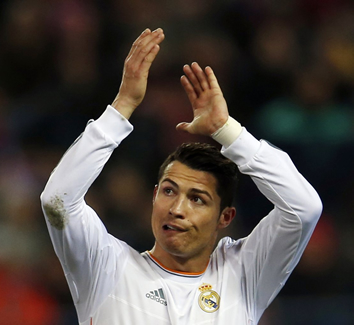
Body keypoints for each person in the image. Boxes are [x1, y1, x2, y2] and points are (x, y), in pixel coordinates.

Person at [40, 28, 322, 325]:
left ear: (224, 218)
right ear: (154, 196)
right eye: (169, 191)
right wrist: (121, 108)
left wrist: (227, 130)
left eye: (197, 199)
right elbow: (58, 201)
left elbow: (303, 209)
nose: (176, 209)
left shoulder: (243, 275)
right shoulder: (106, 267)